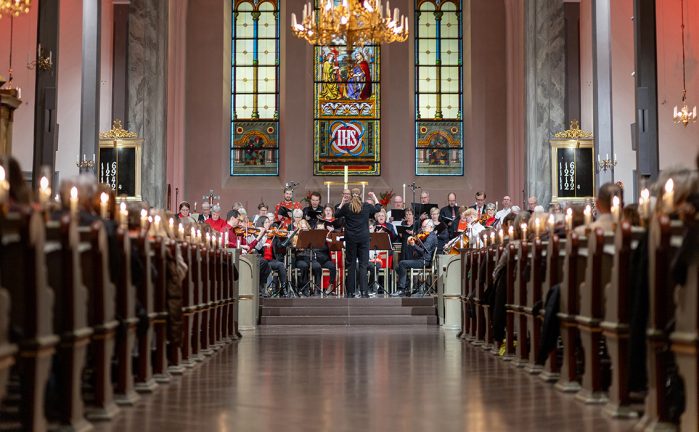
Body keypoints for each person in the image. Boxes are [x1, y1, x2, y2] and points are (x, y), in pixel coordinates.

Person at [335, 188, 381, 298]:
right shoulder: (366, 206)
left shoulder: (347, 206)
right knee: (363, 265)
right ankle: (364, 292)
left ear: (351, 195)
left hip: (351, 239)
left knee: (351, 265)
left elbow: (336, 214)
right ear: (361, 195)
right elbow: (378, 208)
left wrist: (342, 202)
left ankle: (350, 292)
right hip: (364, 238)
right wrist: (374, 196)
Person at [391, 219, 438, 297]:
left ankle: (402, 289)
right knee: (397, 267)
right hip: (420, 259)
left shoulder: (431, 237)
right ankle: (406, 285)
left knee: (402, 263)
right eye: (422, 227)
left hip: (424, 260)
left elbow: (423, 251)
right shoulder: (427, 235)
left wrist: (414, 245)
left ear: (430, 227)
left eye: (424, 227)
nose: (422, 229)